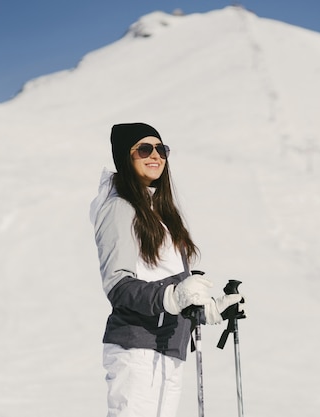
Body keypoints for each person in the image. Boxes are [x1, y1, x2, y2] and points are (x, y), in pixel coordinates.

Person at [89, 122, 243, 417]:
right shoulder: (119, 208)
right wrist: (172, 297)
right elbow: (118, 285)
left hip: (167, 345)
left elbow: (166, 281)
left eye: (161, 149)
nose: (156, 155)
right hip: (138, 349)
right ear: (125, 156)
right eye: (144, 149)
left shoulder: (159, 212)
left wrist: (208, 309)